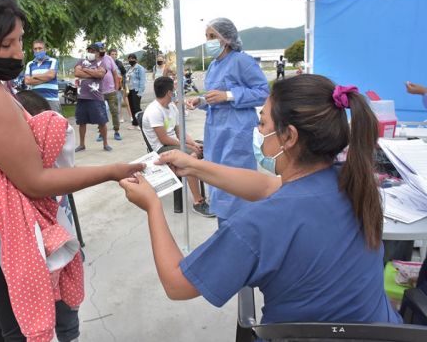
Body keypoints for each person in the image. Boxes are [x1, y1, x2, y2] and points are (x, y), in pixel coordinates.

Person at [0, 0, 143, 341]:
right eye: (6, 45)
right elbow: (34, 182)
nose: (19, 52)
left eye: (20, 40)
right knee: (21, 331)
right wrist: (112, 171)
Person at [121, 73, 402, 330]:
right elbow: (269, 186)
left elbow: (176, 284)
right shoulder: (353, 184)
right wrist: (193, 167)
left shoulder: (256, 225)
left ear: (289, 136)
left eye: (262, 122)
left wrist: (152, 205)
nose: (258, 130)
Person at [15, 89, 83, 342]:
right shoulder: (49, 165)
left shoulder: (42, 166)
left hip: (57, 249)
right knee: (62, 306)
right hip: (53, 250)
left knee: (63, 307)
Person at [186, 17, 269, 223]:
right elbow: (217, 97)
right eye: (206, 37)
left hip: (237, 132)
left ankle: (239, 227)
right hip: (215, 131)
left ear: (227, 38)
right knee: (217, 178)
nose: (209, 41)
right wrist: (202, 100)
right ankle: (224, 227)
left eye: (213, 36)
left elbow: (263, 92)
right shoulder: (214, 65)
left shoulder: (242, 61)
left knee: (236, 181)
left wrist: (229, 95)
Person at [142, 77, 212, 217]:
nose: (176, 91)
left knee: (208, 147)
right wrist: (188, 147)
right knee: (190, 158)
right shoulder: (154, 111)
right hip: (161, 148)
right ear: (169, 92)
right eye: (174, 89)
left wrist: (193, 143)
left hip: (174, 144)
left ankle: (216, 189)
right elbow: (164, 139)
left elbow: (180, 132)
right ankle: (198, 202)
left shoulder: (172, 107)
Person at [74, 44, 112, 152]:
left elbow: (100, 74)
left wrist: (85, 70)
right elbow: (77, 72)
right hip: (82, 97)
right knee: (81, 122)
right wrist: (93, 73)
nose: (91, 52)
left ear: (98, 52)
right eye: (89, 50)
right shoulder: (81, 61)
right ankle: (82, 144)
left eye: (93, 51)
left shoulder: (102, 62)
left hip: (96, 98)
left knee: (102, 121)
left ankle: (105, 144)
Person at [24, 40, 61, 113]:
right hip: (36, 100)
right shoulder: (30, 64)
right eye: (35, 49)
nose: (37, 51)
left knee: (55, 123)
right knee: (38, 123)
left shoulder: (52, 61)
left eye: (40, 48)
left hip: (52, 99)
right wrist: (46, 77)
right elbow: (27, 81)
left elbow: (51, 75)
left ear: (45, 49)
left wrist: (35, 76)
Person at [95, 42, 122, 141]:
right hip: (99, 92)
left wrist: (116, 87)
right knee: (100, 113)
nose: (101, 50)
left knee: (114, 112)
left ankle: (116, 131)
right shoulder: (93, 59)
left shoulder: (109, 58)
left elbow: (115, 74)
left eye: (103, 48)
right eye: (99, 49)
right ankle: (101, 133)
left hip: (111, 91)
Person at [126, 53, 146, 130]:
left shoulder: (140, 68)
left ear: (136, 59)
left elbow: (142, 80)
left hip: (136, 90)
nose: (131, 60)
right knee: (132, 107)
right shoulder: (129, 68)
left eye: (132, 58)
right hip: (129, 90)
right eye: (129, 59)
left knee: (137, 107)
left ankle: (141, 123)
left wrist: (140, 92)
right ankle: (134, 123)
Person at [109, 48, 129, 123]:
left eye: (115, 54)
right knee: (112, 102)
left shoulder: (119, 63)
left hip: (118, 85)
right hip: (110, 86)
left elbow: (124, 73)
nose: (114, 56)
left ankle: (120, 117)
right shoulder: (107, 63)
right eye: (112, 54)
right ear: (109, 55)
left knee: (118, 101)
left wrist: (123, 84)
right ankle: (114, 117)